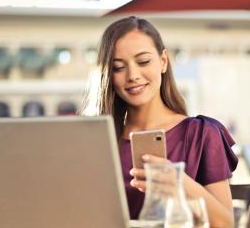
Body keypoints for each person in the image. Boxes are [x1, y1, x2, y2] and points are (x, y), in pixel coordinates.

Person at [89, 16, 238, 227]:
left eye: (143, 62)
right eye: (118, 67)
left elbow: (226, 224)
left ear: (163, 62)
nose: (133, 75)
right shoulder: (98, 142)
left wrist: (180, 184)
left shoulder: (201, 133)